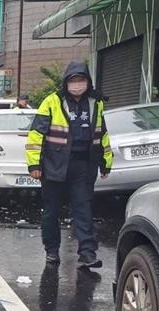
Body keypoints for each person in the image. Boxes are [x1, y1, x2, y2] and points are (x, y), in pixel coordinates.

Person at [26, 61, 113, 268]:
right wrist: (34, 166)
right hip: (54, 164)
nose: (77, 84)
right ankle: (52, 251)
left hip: (83, 165)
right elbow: (36, 135)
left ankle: (87, 254)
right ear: (66, 83)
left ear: (88, 82)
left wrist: (105, 163)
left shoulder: (95, 103)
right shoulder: (52, 101)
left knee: (84, 209)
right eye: (73, 80)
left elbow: (102, 135)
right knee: (51, 211)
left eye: (80, 80)